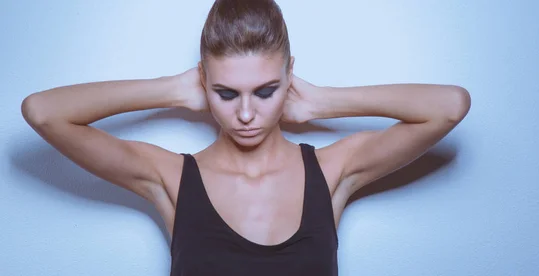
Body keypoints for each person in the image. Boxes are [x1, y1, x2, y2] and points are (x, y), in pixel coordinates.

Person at [20, 0, 471, 275]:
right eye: (225, 93)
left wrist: (323, 102)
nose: (247, 114)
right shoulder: (173, 178)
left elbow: (449, 106)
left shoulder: (332, 170)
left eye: (267, 90)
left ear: (289, 74)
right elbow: (43, 112)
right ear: (204, 83)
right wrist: (172, 89)